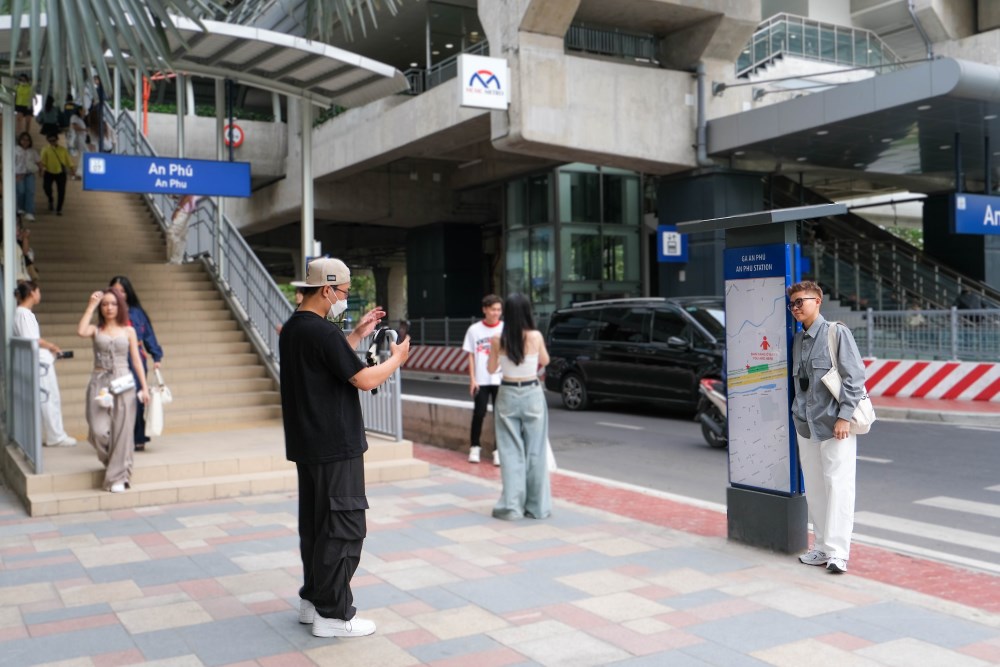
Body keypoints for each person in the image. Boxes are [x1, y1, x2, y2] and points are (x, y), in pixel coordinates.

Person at [279, 257, 410, 638]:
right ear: (327, 290)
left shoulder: (295, 328)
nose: (345, 299)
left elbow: (327, 363)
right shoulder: (321, 332)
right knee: (343, 526)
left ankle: (313, 601)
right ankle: (334, 615)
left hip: (309, 444)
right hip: (335, 443)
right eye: (344, 292)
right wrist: (397, 359)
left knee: (316, 526)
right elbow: (364, 380)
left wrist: (355, 335)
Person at [788, 280, 866, 575]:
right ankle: (821, 546)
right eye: (792, 304)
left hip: (834, 425)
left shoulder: (836, 332)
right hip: (805, 425)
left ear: (817, 301)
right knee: (815, 489)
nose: (796, 308)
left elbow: (854, 377)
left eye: (801, 302)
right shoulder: (798, 340)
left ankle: (838, 553)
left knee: (838, 487)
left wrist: (845, 417)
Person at [77, 289, 150, 493]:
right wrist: (91, 306)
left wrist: (144, 388)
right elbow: (81, 331)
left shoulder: (129, 331)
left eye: (113, 304)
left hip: (123, 381)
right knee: (98, 430)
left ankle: (118, 477)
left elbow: (137, 360)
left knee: (122, 431)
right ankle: (117, 464)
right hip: (99, 382)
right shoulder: (96, 329)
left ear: (120, 306)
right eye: (105, 304)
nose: (109, 308)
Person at [486, 293, 551, 521]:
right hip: (532, 392)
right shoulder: (535, 336)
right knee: (536, 451)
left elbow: (491, 369)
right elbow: (546, 360)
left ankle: (512, 508)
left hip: (507, 393)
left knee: (510, 452)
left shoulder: (497, 339)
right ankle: (537, 507)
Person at [13, 281, 77, 448]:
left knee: (49, 398)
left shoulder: (23, 313)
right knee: (49, 398)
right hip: (39, 363)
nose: (39, 295)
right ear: (32, 293)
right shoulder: (23, 314)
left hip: (40, 361)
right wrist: (51, 346)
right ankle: (56, 436)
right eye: (38, 291)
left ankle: (55, 434)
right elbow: (32, 340)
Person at [109, 276, 164, 451]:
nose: (119, 294)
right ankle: (120, 437)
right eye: (115, 291)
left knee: (137, 398)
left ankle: (138, 436)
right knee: (119, 399)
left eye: (122, 291)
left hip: (136, 359)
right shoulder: (109, 310)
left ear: (128, 293)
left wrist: (156, 356)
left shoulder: (137, 313)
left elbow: (148, 334)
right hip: (116, 359)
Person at [462, 294, 504, 466]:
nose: (496, 313)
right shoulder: (474, 330)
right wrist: (472, 379)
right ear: (485, 310)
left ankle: (498, 450)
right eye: (493, 309)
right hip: (481, 380)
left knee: (500, 416)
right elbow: (471, 356)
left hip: (501, 379)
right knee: (479, 413)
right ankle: (475, 447)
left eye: (499, 310)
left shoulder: (505, 328)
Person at [39, 134, 74, 215]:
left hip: (61, 173)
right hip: (48, 172)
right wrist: (41, 170)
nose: (52, 142)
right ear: (48, 141)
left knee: (61, 191)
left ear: (57, 140)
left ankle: (59, 209)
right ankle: (50, 199)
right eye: (50, 141)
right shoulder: (45, 149)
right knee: (46, 188)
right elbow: (42, 162)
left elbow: (68, 161)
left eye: (54, 140)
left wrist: (72, 170)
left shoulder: (63, 150)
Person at [15, 132, 40, 220]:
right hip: (18, 174)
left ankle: (29, 212)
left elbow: (38, 161)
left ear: (30, 141)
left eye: (27, 140)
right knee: (21, 191)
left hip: (29, 174)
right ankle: (20, 208)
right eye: (23, 139)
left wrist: (41, 170)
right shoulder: (15, 150)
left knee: (30, 191)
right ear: (20, 140)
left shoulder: (32, 151)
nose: (25, 142)